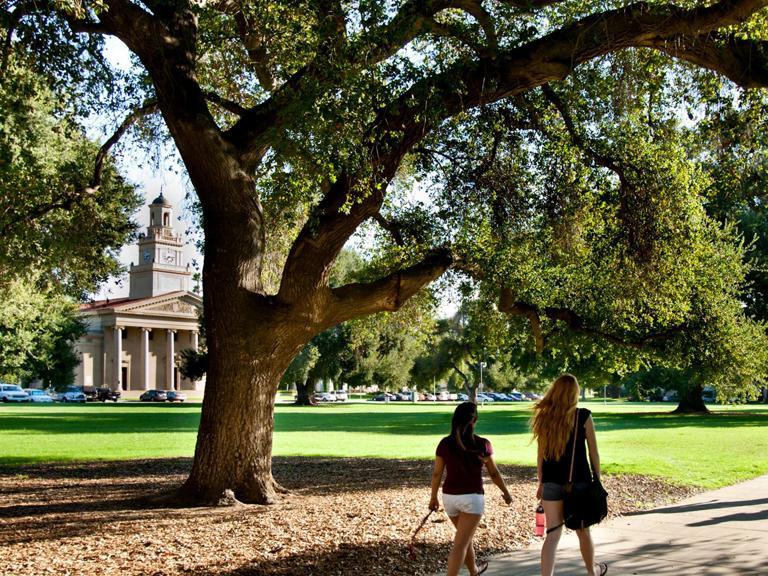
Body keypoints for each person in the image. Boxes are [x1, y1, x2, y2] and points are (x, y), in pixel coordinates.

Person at [531, 373, 608, 576]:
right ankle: (592, 572)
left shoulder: (544, 418)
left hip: (550, 483)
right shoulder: (583, 416)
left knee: (552, 534)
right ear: (574, 393)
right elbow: (594, 452)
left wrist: (540, 481)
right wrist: (598, 479)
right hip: (579, 483)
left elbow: (540, 456)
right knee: (583, 531)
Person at [430, 401, 513, 576]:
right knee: (460, 544)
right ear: (474, 420)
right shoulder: (483, 444)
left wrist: (433, 497)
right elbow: (495, 473)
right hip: (472, 499)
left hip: (449, 498)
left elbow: (437, 474)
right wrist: (506, 492)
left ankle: (474, 571)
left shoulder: (445, 444)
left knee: (464, 539)